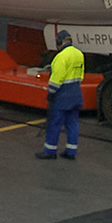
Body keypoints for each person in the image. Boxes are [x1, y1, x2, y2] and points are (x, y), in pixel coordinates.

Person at [38, 30, 85, 160]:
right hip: (76, 93)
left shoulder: (61, 57)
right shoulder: (79, 54)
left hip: (63, 95)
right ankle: (71, 151)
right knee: (73, 123)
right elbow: (80, 76)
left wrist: (51, 94)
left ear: (59, 42)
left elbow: (56, 79)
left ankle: (50, 150)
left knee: (55, 122)